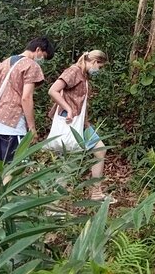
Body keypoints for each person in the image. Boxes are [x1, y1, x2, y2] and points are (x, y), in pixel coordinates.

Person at [48, 50, 114, 202]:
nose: (99, 70)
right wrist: (68, 108)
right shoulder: (73, 71)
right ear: (94, 62)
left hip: (81, 124)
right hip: (70, 122)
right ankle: (53, 205)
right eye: (100, 66)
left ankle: (96, 192)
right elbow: (53, 90)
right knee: (68, 163)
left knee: (99, 150)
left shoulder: (83, 75)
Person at [0, 37, 55, 163]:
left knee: (3, 166)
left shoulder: (3, 63)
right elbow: (26, 97)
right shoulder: (31, 65)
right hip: (13, 122)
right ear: (38, 49)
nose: (42, 61)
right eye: (43, 57)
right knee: (16, 167)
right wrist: (32, 128)